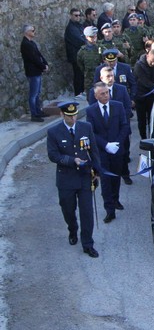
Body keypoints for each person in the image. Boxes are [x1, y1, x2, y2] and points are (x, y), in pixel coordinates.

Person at [46, 101, 101, 258]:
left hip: (84, 178)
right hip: (66, 179)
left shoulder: (86, 128)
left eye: (75, 114)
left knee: (87, 212)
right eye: (69, 116)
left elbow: (93, 150)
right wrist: (72, 160)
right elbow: (53, 155)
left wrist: (97, 171)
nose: (73, 118)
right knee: (68, 209)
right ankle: (72, 228)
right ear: (62, 115)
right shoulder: (54, 132)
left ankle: (88, 244)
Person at [86, 82, 130, 224]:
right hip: (102, 152)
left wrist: (117, 143)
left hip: (117, 149)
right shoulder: (91, 111)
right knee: (105, 180)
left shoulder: (118, 106)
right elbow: (91, 132)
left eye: (107, 93)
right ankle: (109, 210)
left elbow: (124, 126)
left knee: (116, 177)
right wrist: (105, 145)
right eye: (102, 94)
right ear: (95, 95)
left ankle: (116, 200)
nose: (106, 96)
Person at [133, 48, 154, 139]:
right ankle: (143, 138)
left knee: (152, 119)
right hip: (141, 96)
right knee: (142, 120)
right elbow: (144, 81)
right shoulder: (139, 66)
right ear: (147, 56)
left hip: (152, 97)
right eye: (152, 61)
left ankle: (152, 137)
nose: (153, 63)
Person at [20, 24, 48, 122]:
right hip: (32, 72)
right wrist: (43, 66)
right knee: (33, 94)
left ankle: (38, 111)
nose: (34, 32)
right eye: (32, 30)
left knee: (37, 93)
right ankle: (34, 114)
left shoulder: (31, 43)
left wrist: (45, 63)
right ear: (26, 32)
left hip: (37, 71)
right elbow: (34, 58)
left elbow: (39, 54)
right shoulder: (25, 44)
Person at [64, 8, 87, 96]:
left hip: (80, 54)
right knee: (78, 75)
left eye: (79, 15)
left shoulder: (78, 26)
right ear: (71, 16)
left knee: (81, 75)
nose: (78, 17)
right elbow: (80, 40)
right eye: (75, 15)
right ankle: (78, 93)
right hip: (75, 56)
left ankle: (81, 91)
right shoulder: (71, 28)